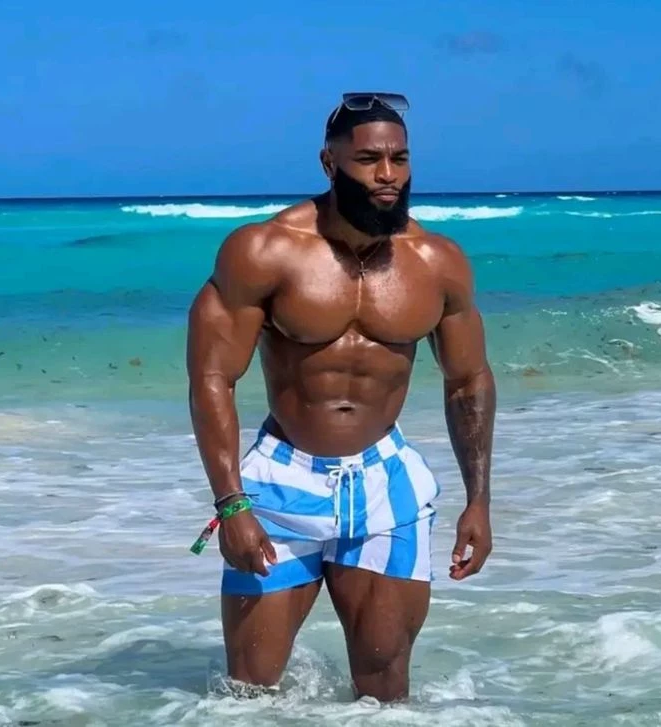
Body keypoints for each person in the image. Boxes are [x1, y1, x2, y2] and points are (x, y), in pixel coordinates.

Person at [186, 92, 496, 703]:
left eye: (399, 159)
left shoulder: (437, 262)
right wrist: (231, 503)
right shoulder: (264, 251)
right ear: (329, 164)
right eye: (369, 160)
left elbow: (468, 381)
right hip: (280, 486)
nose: (388, 175)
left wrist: (479, 501)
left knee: (385, 693)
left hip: (386, 485)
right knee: (249, 693)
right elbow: (213, 378)